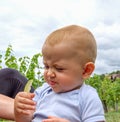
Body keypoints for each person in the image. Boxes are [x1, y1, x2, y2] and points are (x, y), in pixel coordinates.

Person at [14, 25, 105, 122]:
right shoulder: (42, 92)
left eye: (59, 68)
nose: (49, 73)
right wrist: (20, 112)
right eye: (46, 66)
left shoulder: (87, 97)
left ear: (86, 70)